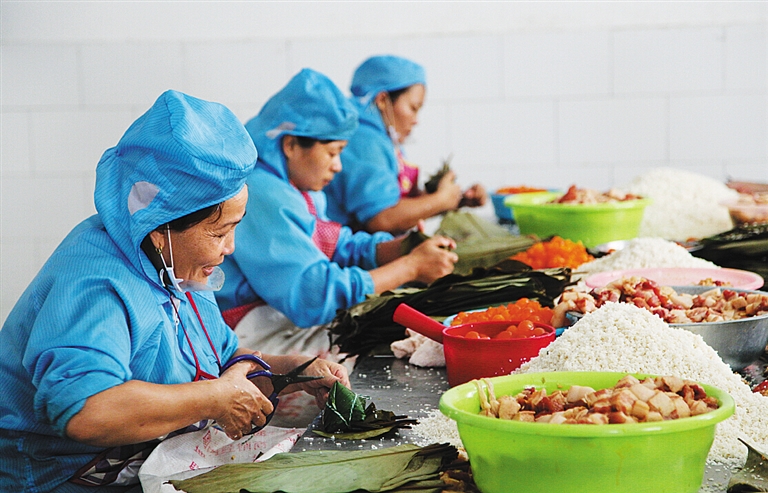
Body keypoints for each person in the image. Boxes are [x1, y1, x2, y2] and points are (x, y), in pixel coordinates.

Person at [0, 90, 349, 493]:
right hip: (55, 479)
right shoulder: (97, 283)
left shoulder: (177, 267)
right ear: (160, 226)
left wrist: (292, 371)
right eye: (220, 233)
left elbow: (222, 362)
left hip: (142, 463)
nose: (230, 248)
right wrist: (213, 399)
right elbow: (87, 411)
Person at [215, 68, 458, 357]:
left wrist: (401, 247)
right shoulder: (262, 193)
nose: (338, 166)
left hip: (276, 315)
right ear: (291, 145)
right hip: (251, 331)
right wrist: (410, 267)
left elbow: (334, 243)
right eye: (332, 153)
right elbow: (313, 295)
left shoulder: (292, 186)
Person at [324, 55, 488, 235]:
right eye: (413, 108)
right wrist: (440, 200)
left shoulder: (383, 137)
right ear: (382, 100)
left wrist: (456, 199)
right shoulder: (364, 140)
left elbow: (396, 205)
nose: (416, 120)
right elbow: (382, 219)